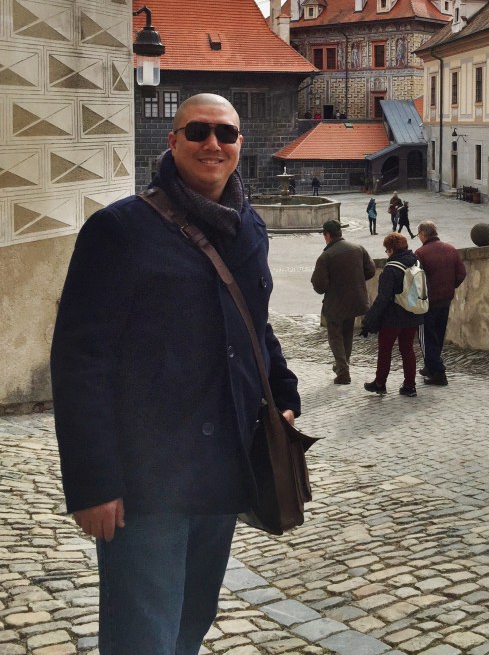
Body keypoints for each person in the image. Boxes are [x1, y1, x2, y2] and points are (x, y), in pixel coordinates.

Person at [49, 94, 301, 655]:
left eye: (226, 134)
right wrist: (93, 483)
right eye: (198, 131)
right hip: (147, 480)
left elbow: (255, 323)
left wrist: (283, 393)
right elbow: (79, 360)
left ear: (241, 145)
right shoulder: (120, 230)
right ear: (173, 141)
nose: (213, 144)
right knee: (143, 635)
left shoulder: (249, 228)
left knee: (191, 620)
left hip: (223, 469)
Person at [311, 219, 375, 384]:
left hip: (335, 302)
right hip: (355, 301)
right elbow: (371, 270)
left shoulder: (326, 256)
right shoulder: (358, 249)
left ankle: (343, 370)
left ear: (328, 235)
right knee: (347, 334)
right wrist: (356, 280)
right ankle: (343, 365)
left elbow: (319, 285)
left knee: (335, 336)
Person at [361, 232, 424, 397]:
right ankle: (410, 386)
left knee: (385, 350)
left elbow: (383, 298)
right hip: (412, 313)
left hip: (393, 317)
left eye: (386, 250)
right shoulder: (416, 262)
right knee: (407, 349)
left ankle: (380, 383)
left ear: (390, 249)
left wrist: (369, 321)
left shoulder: (391, 268)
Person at [414, 221, 466, 386]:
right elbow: (461, 273)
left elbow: (418, 279)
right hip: (445, 299)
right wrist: (452, 286)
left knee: (427, 337)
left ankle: (439, 372)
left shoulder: (421, 253)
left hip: (428, 301)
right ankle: (430, 367)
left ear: (423, 234)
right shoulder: (451, 249)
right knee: (438, 334)